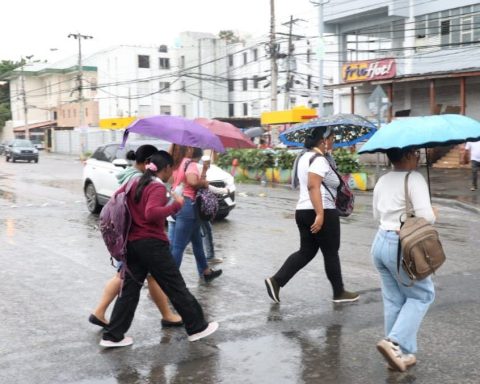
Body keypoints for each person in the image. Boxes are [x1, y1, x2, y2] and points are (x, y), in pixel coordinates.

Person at [100, 150, 218, 347]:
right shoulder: (155, 186)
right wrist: (176, 205)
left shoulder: (135, 182)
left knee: (129, 290)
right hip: (151, 244)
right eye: (171, 169)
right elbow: (152, 214)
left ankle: (113, 336)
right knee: (175, 285)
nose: (172, 173)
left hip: (132, 243)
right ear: (166, 168)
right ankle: (197, 327)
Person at [89, 145, 182, 329]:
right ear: (149, 162)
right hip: (136, 239)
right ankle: (101, 313)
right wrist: (173, 203)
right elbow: (148, 212)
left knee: (140, 277)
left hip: (130, 237)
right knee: (124, 278)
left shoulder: (133, 175)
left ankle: (166, 315)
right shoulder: (140, 179)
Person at [265, 126, 359, 304]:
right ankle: (339, 292)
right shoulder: (319, 160)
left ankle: (276, 281)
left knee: (307, 251)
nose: (333, 141)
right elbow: (313, 186)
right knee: (331, 252)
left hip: (302, 210)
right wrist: (320, 214)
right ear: (323, 140)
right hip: (321, 210)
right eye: (332, 138)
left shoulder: (303, 158)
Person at [372, 147, 436, 371]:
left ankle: (400, 354)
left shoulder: (382, 180)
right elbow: (426, 216)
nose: (418, 157)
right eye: (416, 153)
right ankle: (394, 343)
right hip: (401, 245)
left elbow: (376, 215)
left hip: (380, 242)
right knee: (423, 295)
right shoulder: (415, 178)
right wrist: (433, 212)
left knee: (393, 300)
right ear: (407, 155)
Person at [168, 144, 222, 281]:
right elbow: (192, 182)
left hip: (179, 203)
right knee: (178, 246)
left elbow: (174, 181)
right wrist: (203, 183)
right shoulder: (190, 163)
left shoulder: (177, 163)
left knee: (197, 241)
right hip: (188, 206)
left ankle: (206, 272)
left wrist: (204, 170)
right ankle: (168, 280)